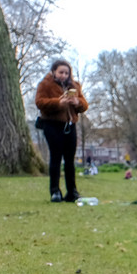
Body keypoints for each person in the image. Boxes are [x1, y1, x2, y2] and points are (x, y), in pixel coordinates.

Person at [34, 59, 89, 203]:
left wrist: (77, 103)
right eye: (61, 72)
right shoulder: (45, 85)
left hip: (70, 126)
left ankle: (72, 192)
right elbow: (40, 102)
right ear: (54, 72)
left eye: (66, 73)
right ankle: (55, 191)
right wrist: (58, 103)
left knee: (70, 160)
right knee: (56, 158)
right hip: (52, 125)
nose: (64, 75)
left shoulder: (75, 86)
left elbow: (84, 105)